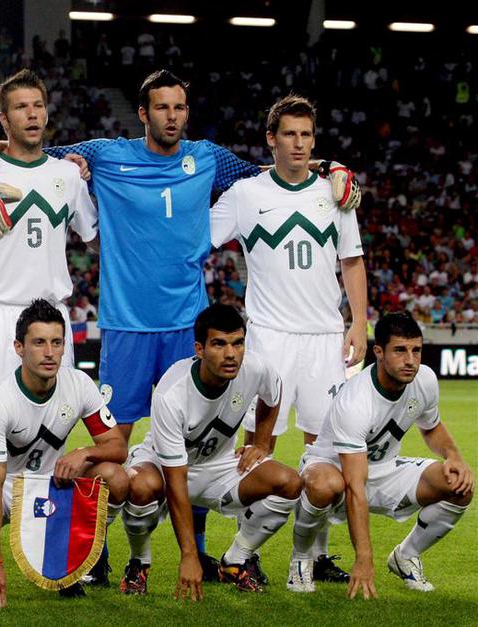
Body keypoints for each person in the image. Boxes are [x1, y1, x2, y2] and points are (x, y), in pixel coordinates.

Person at [0, 68, 359, 574]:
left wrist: (330, 166)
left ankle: (198, 548)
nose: (172, 116)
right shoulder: (106, 155)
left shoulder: (208, 158)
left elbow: (271, 169)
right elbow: (37, 150)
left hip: (187, 326)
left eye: (179, 107)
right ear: (143, 113)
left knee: (198, 444)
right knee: (113, 441)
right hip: (127, 326)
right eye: (162, 107)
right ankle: (97, 551)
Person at [209, 94, 367, 584]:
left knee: (327, 452)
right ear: (271, 140)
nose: (298, 143)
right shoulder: (245, 195)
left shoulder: (335, 194)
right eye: (289, 134)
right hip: (269, 338)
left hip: (325, 338)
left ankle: (317, 554)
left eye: (306, 135)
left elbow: (352, 261)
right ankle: (244, 551)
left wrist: (358, 322)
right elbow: (199, 241)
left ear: (314, 142)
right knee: (259, 447)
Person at [0, 67, 101, 567]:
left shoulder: (67, 176)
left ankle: (55, 545)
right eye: (21, 107)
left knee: (55, 427)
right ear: (4, 117)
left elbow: (91, 233)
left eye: (38, 105)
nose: (32, 114)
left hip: (50, 320)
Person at [0, 299, 128, 606]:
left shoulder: (79, 384)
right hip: (6, 487)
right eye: (39, 342)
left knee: (116, 477)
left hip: (54, 483)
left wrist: (85, 453)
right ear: (19, 347)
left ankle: (75, 557)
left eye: (57, 342)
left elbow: (117, 446)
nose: (49, 352)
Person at [287, 312, 473, 597]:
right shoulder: (356, 401)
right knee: (324, 484)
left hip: (384, 469)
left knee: (458, 485)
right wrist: (364, 557)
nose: (410, 360)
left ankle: (406, 556)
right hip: (335, 470)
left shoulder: (424, 379)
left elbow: (432, 427)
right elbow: (355, 487)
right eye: (400, 350)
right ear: (379, 352)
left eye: (416, 350)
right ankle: (301, 559)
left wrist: (454, 456)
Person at [122, 304, 301, 598]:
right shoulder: (171, 394)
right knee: (140, 486)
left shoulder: (256, 368)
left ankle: (236, 560)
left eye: (238, 343)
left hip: (220, 467)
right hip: (165, 469)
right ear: (199, 349)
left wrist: (261, 443)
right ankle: (138, 562)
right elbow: (177, 480)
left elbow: (273, 393)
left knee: (289, 482)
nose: (231, 354)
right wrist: (189, 554)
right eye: (219, 344)